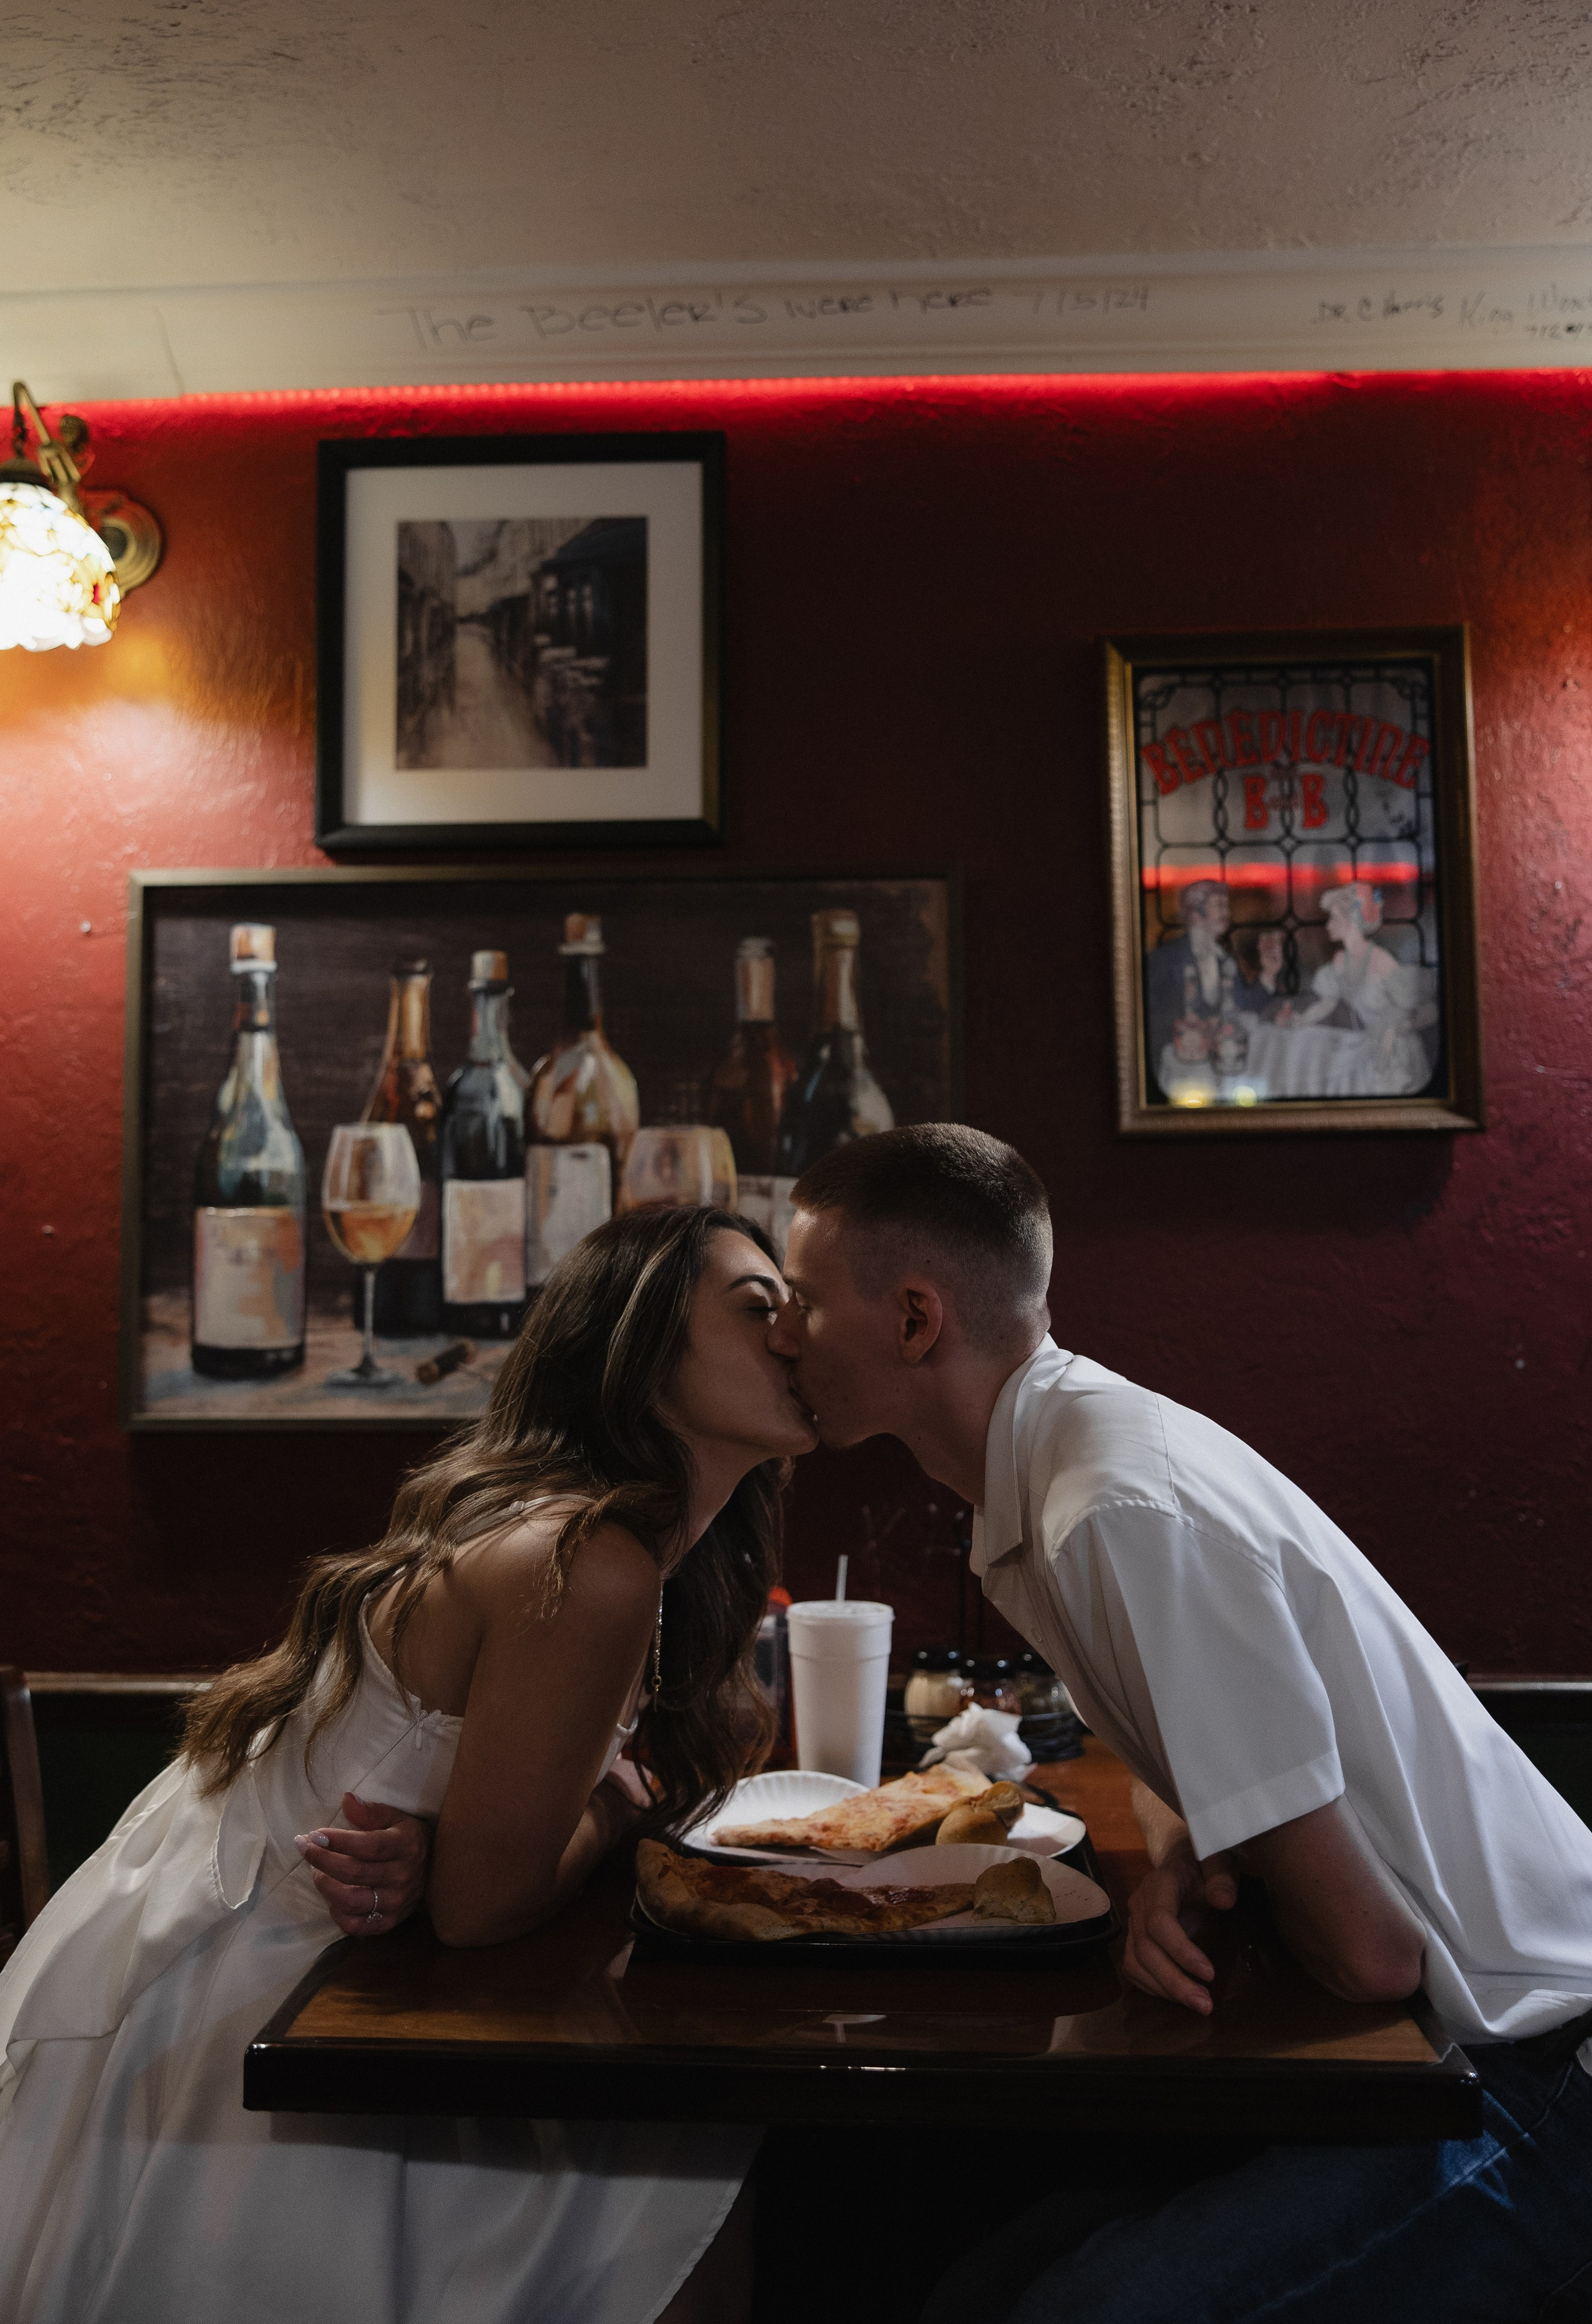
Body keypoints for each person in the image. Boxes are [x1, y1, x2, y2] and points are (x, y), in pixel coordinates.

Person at [769, 1124, 1592, 2320]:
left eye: (801, 1299)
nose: (783, 1333)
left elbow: (1370, 1955)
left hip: (1541, 2072)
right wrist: (1186, 1854)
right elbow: (1188, 1761)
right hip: (1461, 2047)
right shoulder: (1062, 1462)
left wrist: (1232, 1866)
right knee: (974, 2276)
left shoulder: (1112, 1507)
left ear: (913, 1319)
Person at [0, 1206, 815, 2324]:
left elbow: (470, 1866)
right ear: (639, 1350)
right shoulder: (588, 1558)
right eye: (759, 1308)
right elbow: (483, 1908)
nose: (793, 1334)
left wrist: (454, 1848)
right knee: (690, 2177)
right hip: (263, 2010)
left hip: (338, 1966)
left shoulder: (636, 1546)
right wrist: (613, 1810)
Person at [1142, 880, 1267, 1095]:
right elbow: (1147, 1013)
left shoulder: (1225, 960)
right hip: (1181, 1063)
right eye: (1219, 905)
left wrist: (1269, 977)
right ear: (1196, 912)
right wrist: (1183, 1024)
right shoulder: (1165, 959)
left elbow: (1244, 1005)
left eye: (1226, 906)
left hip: (1224, 1061)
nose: (1226, 913)